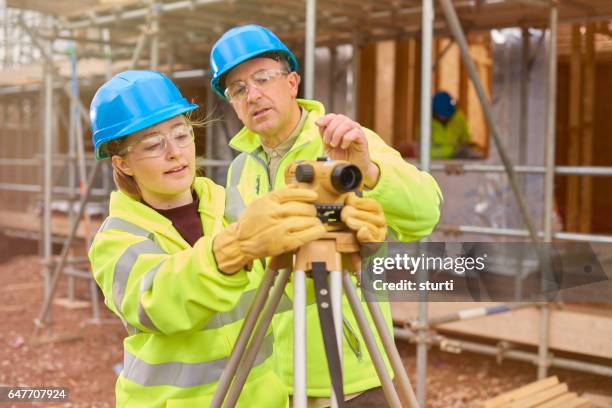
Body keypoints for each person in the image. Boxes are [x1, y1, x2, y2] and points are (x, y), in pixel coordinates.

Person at [210, 25, 443, 406]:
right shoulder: (239, 171)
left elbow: (426, 212)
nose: (253, 95)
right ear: (232, 104)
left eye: (263, 78)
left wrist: (369, 171)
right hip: (269, 378)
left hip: (351, 378)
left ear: (292, 83)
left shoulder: (343, 143)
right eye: (238, 89)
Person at [87, 70, 331, 407]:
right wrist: (232, 250)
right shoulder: (117, 237)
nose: (175, 152)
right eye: (154, 144)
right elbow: (159, 304)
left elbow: (280, 290)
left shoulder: (231, 204)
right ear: (122, 163)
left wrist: (334, 250)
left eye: (182, 135)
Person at [431, 90, 482, 159]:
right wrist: (452, 150)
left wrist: (469, 148)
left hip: (457, 162)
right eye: (443, 114)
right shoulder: (426, 122)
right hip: (434, 165)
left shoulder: (459, 117)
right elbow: (423, 151)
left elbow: (466, 139)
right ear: (434, 112)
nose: (446, 117)